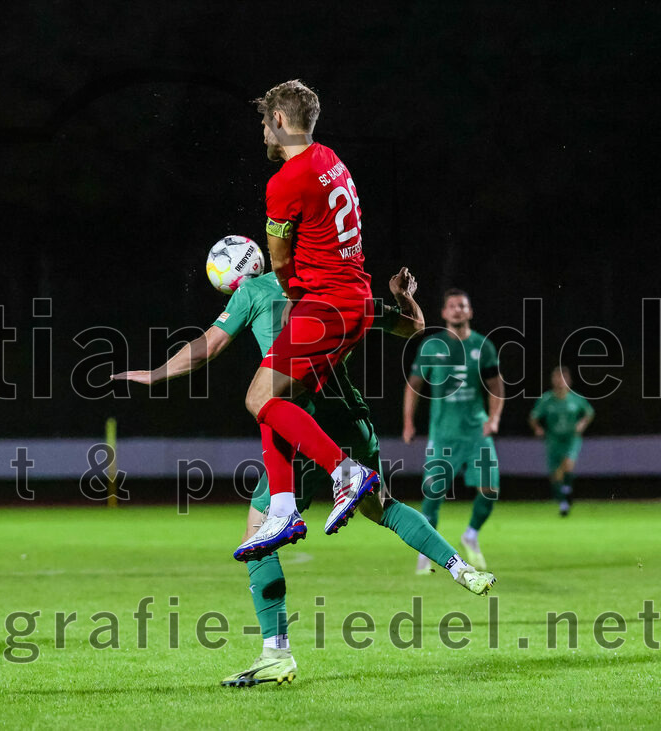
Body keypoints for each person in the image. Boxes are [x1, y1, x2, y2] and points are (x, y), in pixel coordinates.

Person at [115, 263, 495, 687]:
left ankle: (276, 653)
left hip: (301, 430)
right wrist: (405, 295)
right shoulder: (338, 289)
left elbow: (207, 347)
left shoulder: (254, 292)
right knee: (383, 507)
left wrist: (155, 374)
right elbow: (414, 327)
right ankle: (461, 568)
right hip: (351, 424)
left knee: (257, 536)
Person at [237, 80, 381, 561]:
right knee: (275, 400)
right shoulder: (329, 160)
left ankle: (345, 472)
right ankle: (282, 507)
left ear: (279, 119)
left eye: (263, 122)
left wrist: (296, 293)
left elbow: (278, 262)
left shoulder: (285, 181)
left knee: (258, 395)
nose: (262, 131)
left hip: (326, 305)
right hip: (353, 300)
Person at [403, 289, 505, 573]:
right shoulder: (431, 346)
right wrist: (409, 423)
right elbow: (414, 386)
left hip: (476, 432)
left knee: (490, 489)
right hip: (443, 433)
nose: (458, 310)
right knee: (433, 496)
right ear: (444, 313)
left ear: (469, 312)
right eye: (452, 306)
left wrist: (494, 418)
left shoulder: (482, 346)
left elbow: (496, 386)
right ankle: (426, 550)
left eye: (463, 305)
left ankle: (470, 534)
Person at [529, 366, 594, 516]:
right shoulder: (546, 399)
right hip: (553, 439)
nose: (560, 382)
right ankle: (564, 499)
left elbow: (589, 413)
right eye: (557, 378)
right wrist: (538, 428)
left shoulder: (576, 399)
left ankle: (566, 498)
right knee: (555, 476)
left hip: (571, 438)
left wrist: (582, 423)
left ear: (568, 382)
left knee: (568, 465)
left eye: (563, 379)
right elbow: (533, 418)